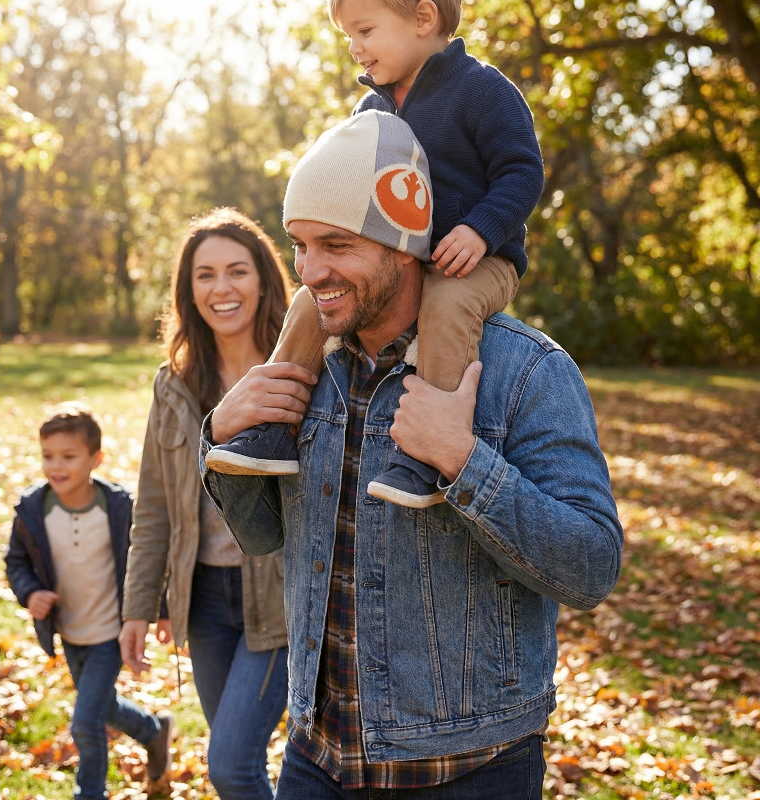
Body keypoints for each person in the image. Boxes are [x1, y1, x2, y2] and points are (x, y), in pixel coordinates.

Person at [200, 111, 623, 799]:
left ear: (404, 246)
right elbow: (262, 535)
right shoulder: (310, 369)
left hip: (469, 767)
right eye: (300, 246)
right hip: (318, 757)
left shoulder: (525, 372)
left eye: (336, 245)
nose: (311, 272)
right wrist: (220, 440)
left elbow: (591, 568)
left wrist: (463, 461)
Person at [206, 0, 544, 510]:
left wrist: (481, 229)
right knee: (307, 303)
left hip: (478, 260)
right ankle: (273, 427)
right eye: (347, 36)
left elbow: (522, 170)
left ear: (424, 18)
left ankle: (424, 451)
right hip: (399, 264)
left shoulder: (481, 89)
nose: (354, 48)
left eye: (364, 30)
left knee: (448, 306)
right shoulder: (372, 112)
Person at [118, 208, 292, 800]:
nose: (222, 289)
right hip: (205, 604)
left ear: (264, 280)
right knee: (237, 760)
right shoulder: (174, 384)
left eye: (237, 271)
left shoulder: (301, 369)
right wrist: (139, 605)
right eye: (205, 275)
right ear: (188, 291)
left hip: (281, 597)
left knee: (230, 765)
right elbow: (155, 507)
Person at [5, 402, 173, 800]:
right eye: (48, 456)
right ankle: (153, 731)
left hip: (111, 634)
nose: (55, 466)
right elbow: (16, 561)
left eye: (68, 456)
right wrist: (30, 592)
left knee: (85, 723)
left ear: (96, 459)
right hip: (70, 631)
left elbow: (147, 559)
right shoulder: (33, 509)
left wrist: (161, 609)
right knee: (103, 706)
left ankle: (90, 793)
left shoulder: (117, 507)